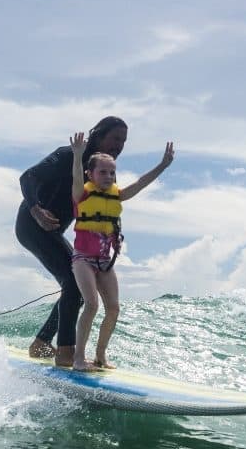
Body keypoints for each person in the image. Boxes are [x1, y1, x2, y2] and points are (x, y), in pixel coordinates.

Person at [16, 117, 130, 367]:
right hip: (31, 224)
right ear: (99, 135)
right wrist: (36, 210)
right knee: (72, 281)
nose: (119, 145)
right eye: (115, 138)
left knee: (76, 288)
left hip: (54, 232)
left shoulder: (100, 170)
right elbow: (28, 177)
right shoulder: (68, 156)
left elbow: (107, 207)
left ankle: (42, 343)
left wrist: (114, 234)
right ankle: (66, 353)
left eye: (123, 141)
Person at [68, 131, 174, 371]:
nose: (108, 176)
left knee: (113, 308)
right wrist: (77, 156)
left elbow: (140, 183)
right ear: (90, 174)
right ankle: (78, 359)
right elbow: (75, 177)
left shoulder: (118, 195)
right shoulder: (81, 194)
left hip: (105, 262)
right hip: (83, 259)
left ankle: (100, 356)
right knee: (92, 304)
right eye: (102, 172)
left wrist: (162, 166)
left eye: (112, 172)